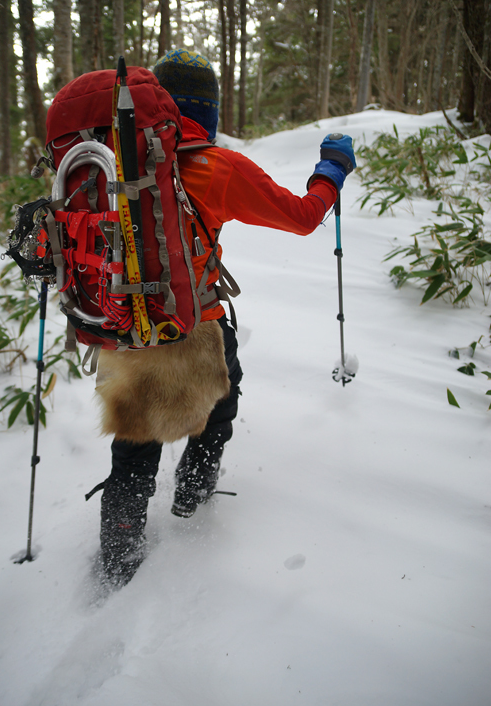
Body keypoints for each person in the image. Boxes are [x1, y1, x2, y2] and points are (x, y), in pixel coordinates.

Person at [96, 49, 356, 586]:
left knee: (136, 437)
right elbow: (304, 217)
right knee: (219, 404)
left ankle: (119, 550)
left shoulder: (107, 159)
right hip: (194, 327)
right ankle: (192, 496)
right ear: (207, 111)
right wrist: (331, 168)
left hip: (121, 324)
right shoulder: (216, 166)